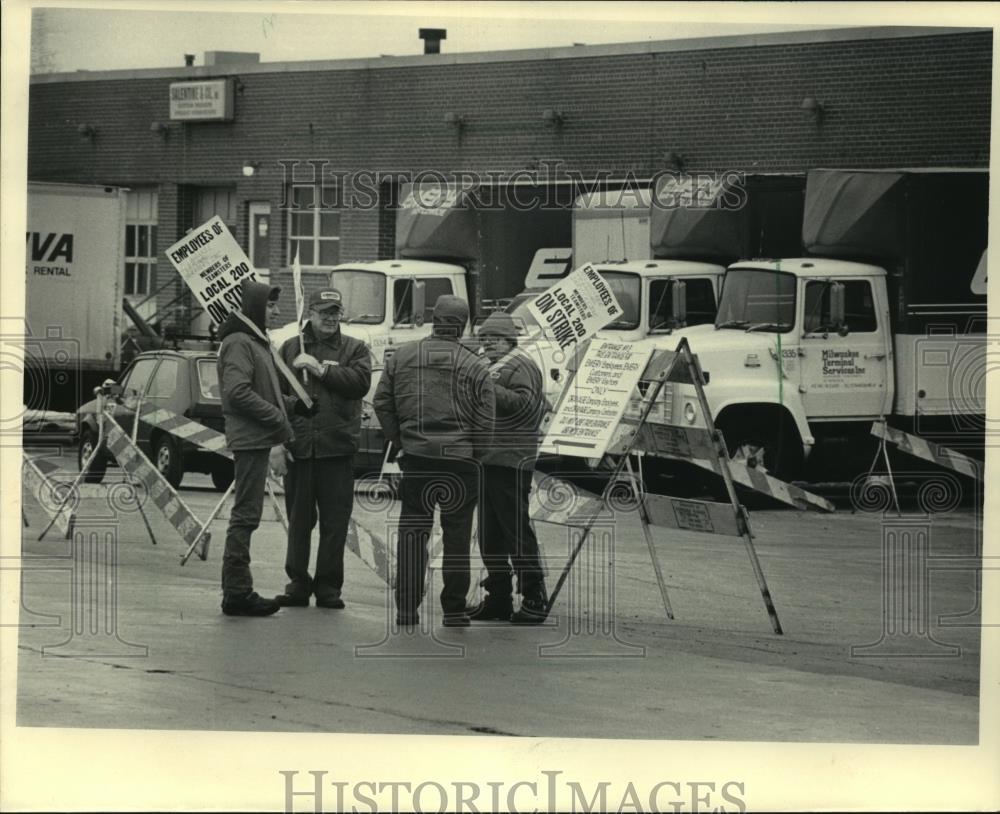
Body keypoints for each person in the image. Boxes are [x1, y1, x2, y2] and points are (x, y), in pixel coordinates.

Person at [373, 295, 495, 628]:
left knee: (413, 533)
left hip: (417, 459)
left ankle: (406, 609)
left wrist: (401, 440)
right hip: (460, 463)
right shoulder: (474, 365)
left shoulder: (403, 356)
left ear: (433, 319)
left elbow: (381, 402)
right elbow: (486, 419)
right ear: (464, 324)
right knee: (457, 538)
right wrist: (476, 454)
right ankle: (454, 610)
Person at [275, 288, 371, 609]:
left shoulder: (355, 348)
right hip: (300, 449)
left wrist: (320, 369)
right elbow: (277, 398)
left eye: (336, 311)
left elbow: (360, 383)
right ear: (310, 313)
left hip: (338, 450)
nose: (331, 317)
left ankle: (328, 588)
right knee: (299, 521)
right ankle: (297, 584)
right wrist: (279, 441)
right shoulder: (289, 348)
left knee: (335, 523)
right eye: (324, 311)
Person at [217, 280, 294, 617]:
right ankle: (236, 592)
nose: (277, 311)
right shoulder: (239, 343)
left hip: (256, 437)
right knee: (246, 515)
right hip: (251, 439)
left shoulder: (254, 342)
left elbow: (263, 390)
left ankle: (237, 589)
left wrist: (294, 404)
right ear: (254, 308)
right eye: (271, 305)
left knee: (247, 515)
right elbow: (237, 392)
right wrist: (278, 417)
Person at [468, 311, 550, 624]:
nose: (488, 343)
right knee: (490, 534)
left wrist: (486, 388)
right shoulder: (488, 366)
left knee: (515, 530)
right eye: (484, 338)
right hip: (488, 458)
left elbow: (525, 405)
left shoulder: (521, 365)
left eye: (495, 338)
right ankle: (498, 597)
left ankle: (533, 596)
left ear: (509, 340)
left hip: (511, 459)